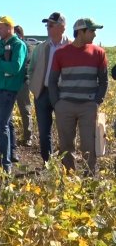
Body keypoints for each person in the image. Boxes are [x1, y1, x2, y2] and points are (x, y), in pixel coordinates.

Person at [48, 18, 108, 175]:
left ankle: (89, 178)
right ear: (80, 32)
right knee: (66, 144)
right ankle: (69, 177)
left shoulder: (99, 53)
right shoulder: (61, 53)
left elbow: (103, 81)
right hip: (65, 106)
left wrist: (96, 101)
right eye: (92, 31)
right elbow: (52, 81)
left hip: (88, 106)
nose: (94, 34)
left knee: (89, 145)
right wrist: (57, 104)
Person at [28, 12, 71, 163]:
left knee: (65, 130)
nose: (48, 28)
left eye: (51, 25)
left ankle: (66, 163)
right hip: (42, 92)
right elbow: (31, 69)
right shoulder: (41, 48)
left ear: (62, 28)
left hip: (63, 94)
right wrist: (34, 87)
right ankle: (47, 162)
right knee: (44, 131)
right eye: (47, 25)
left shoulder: (71, 47)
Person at [0, 16, 28, 173]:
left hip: (8, 89)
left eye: (0, 27)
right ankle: (9, 156)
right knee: (6, 123)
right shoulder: (0, 44)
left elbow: (15, 68)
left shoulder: (18, 45)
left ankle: (4, 164)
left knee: (0, 124)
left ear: (9, 27)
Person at [12, 25, 33, 146]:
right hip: (10, 83)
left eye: (16, 34)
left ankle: (28, 136)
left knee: (25, 109)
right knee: (7, 110)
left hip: (22, 82)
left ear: (21, 35)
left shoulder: (27, 47)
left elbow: (25, 65)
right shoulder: (10, 46)